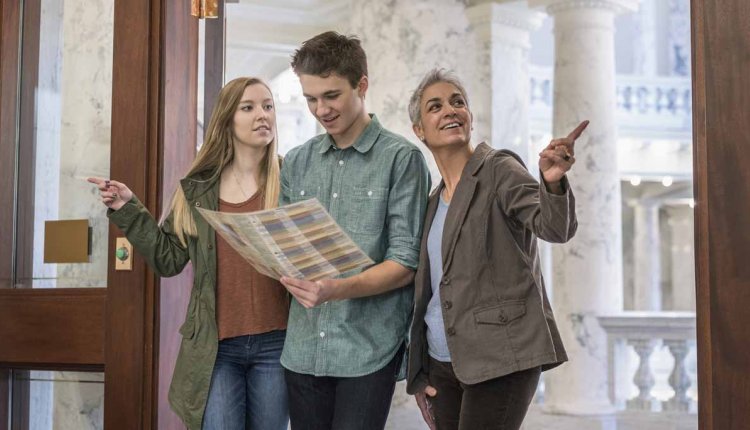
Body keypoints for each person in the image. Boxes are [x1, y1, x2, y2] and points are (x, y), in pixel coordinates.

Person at [88, 77, 289, 430]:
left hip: (279, 343)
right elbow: (168, 259)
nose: (262, 115)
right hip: (216, 349)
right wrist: (128, 207)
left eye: (268, 106)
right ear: (227, 120)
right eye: (249, 107)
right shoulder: (198, 190)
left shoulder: (290, 177)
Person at [405, 68, 584, 430]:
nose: (450, 110)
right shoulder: (431, 201)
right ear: (420, 130)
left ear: (470, 117)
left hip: (501, 355)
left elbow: (553, 227)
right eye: (435, 106)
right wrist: (420, 371)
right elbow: (431, 292)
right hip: (443, 365)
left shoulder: (498, 168)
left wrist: (551, 182)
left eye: (458, 102)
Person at [276, 31, 431, 430]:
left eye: (331, 95)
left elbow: (405, 262)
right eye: (311, 99)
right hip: (303, 349)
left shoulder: (401, 159)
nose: (321, 110)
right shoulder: (296, 162)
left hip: (366, 350)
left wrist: (337, 288)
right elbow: (286, 248)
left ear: (362, 84)